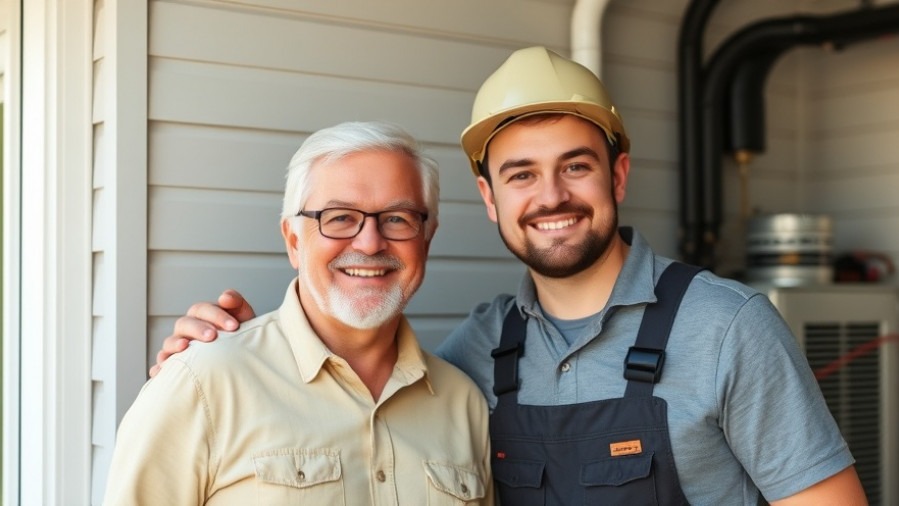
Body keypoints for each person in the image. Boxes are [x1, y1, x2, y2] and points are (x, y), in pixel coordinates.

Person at [154, 47, 867, 505]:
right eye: (521, 174)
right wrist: (220, 358)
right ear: (490, 197)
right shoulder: (476, 352)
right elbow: (357, 386)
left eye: (575, 166)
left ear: (617, 175)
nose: (551, 197)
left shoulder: (727, 328)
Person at [105, 121, 493, 505]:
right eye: (340, 217)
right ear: (293, 241)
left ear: (426, 240)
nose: (370, 243)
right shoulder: (204, 382)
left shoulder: (464, 405)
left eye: (397, 218)